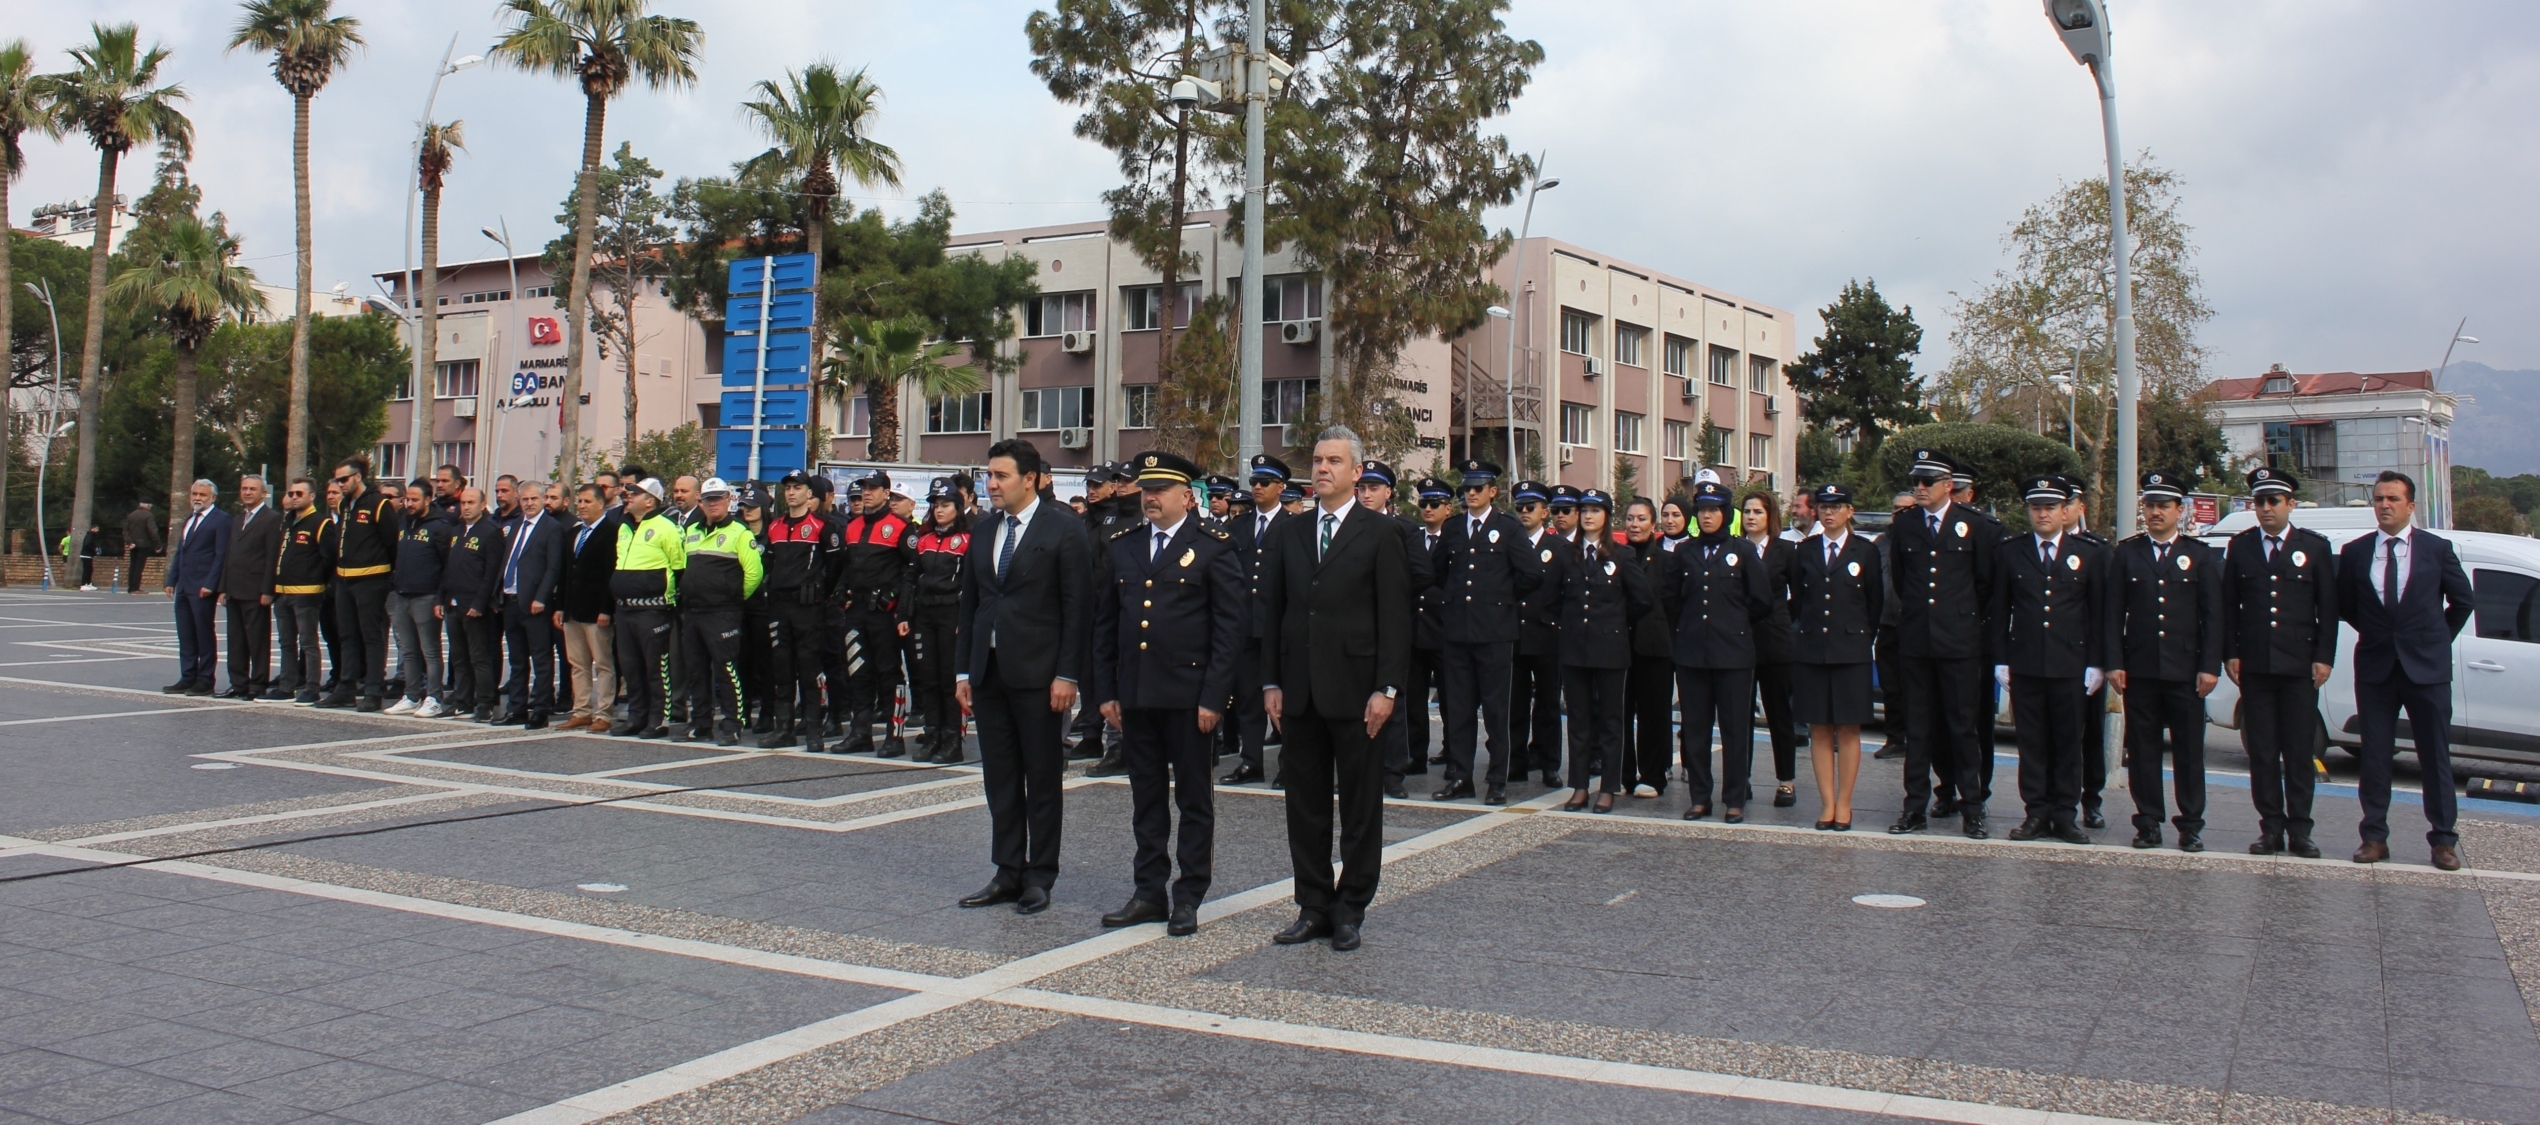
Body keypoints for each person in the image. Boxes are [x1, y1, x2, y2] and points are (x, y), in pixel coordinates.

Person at [1260, 426, 1410, 951]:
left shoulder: (1380, 532)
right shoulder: (1291, 532)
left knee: (1361, 807)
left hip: (1357, 689)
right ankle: (1313, 904)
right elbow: (1273, 611)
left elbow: (1395, 617)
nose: (1322, 468)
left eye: (1333, 461)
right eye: (1318, 460)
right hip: (1299, 691)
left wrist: (1387, 688)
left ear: (1356, 472)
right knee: (1305, 804)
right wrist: (1271, 681)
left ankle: (1351, 908)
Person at [1091, 451, 1246, 936]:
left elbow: (1229, 630)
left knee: (1194, 799)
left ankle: (1189, 893)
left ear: (1187, 496)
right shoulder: (1123, 544)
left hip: (1188, 694)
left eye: (1160, 490)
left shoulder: (1214, 545)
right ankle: (1148, 891)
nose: (1150, 497)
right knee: (1147, 797)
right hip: (1136, 694)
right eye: (1145, 488)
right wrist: (1107, 691)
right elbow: (1106, 624)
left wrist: (1213, 698)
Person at [956, 439, 1092, 915]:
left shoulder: (1065, 529)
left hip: (1040, 675)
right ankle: (1007, 870)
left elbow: (1078, 608)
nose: (991, 484)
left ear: (1029, 478)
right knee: (1001, 777)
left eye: (1001, 476)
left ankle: (1040, 875)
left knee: (1042, 775)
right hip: (990, 673)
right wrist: (964, 670)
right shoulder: (985, 526)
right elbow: (972, 603)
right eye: (988, 475)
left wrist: (1068, 674)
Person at [2341, 470, 2475, 870]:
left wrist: (2434, 640)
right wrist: (2381, 634)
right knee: (2376, 756)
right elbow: (2346, 604)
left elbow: (2463, 601)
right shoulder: (2357, 552)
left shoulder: (2436, 549)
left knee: (2434, 756)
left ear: (2410, 506)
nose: (2384, 505)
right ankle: (2374, 837)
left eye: (2393, 499)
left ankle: (2444, 841)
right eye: (2379, 499)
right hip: (2377, 666)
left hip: (2427, 669)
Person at [2222, 466, 2338, 859]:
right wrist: (2231, 652)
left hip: (2298, 666)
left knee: (2299, 751)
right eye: (2260, 501)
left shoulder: (2315, 547)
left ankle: (2300, 829)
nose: (2266, 508)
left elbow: (2328, 608)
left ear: (2291, 504)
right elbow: (2228, 606)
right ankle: (2270, 827)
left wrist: (2324, 657)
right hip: (2256, 665)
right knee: (2264, 751)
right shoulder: (2241, 547)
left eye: (2274, 501)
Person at [1886, 450, 2002, 838]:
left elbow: (1984, 585)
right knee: (1918, 729)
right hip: (1917, 641)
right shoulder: (1905, 526)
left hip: (1959, 642)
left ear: (1948, 486)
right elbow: (1903, 582)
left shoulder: (1976, 526)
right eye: (1916, 482)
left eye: (1927, 482)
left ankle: (1972, 807)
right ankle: (1914, 806)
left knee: (1962, 728)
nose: (1919, 488)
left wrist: (1959, 621)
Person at [1991, 475, 2109, 845]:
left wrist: (2097, 662)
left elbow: (2099, 613)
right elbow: (1998, 610)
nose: (2042, 514)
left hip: (2070, 663)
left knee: (2068, 743)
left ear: (2064, 511)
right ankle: (2036, 812)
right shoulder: (2011, 552)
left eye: (2050, 507)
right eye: (2036, 507)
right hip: (2026, 663)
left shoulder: (2089, 552)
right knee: (2032, 743)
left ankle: (2065, 814)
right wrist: (2001, 658)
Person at [2110, 472, 2224, 852]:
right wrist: (2113, 661)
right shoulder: (2127, 553)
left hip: (2186, 670)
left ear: (2180, 510)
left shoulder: (2199, 555)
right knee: (2142, 750)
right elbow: (2113, 614)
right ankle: (2148, 821)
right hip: (2140, 668)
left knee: (2189, 752)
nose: (2155, 513)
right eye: (2150, 505)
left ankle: (2190, 823)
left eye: (2163, 506)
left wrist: (2211, 666)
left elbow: (2213, 616)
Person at [1430, 458, 1544, 805]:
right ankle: (1461, 776)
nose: (1471, 494)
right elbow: (1438, 573)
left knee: (1497, 711)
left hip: (1495, 632)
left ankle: (1497, 780)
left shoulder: (1507, 528)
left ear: (1493, 491)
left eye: (1477, 488)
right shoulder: (1452, 529)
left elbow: (1532, 573)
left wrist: (1502, 601)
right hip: (1459, 632)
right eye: (1466, 488)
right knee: (1460, 708)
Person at [1662, 481, 1773, 822]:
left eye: (1714, 510)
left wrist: (1732, 625)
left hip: (1733, 653)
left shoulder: (1742, 550)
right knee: (1695, 728)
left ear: (1726, 514)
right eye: (1703, 510)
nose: (1707, 516)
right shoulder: (1686, 552)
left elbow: (1761, 601)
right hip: (1694, 652)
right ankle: (1700, 797)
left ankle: (1735, 798)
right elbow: (1671, 600)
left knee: (1735, 729)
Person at [1556, 489, 1653, 814]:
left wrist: (1617, 626)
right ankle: (1580, 786)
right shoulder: (1566, 554)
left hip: (1610, 648)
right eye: (1583, 510)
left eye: (1595, 510)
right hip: (1575, 648)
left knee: (1611, 720)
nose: (1587, 516)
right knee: (1579, 721)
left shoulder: (1622, 556)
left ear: (1607, 517)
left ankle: (1608, 787)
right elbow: (1553, 598)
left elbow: (1642, 600)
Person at [1791, 484, 1881, 831]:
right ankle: (1826, 803)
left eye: (1837, 506)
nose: (1829, 513)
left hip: (1851, 651)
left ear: (1850, 511)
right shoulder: (1806, 550)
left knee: (1848, 729)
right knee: (1819, 728)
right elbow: (1799, 601)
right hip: (1813, 649)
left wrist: (1857, 639)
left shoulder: (1865, 551)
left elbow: (1873, 603)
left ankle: (1844, 804)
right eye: (1823, 507)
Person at [1355, 461, 1433, 800]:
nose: (1367, 494)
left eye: (1374, 488)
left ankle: (1392, 772)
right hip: (1356, 624)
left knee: (1392, 699)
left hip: (1391, 623)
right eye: (1363, 488)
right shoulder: (1350, 526)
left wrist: (1395, 598)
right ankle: (1358, 769)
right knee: (1356, 699)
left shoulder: (1404, 528)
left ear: (1388, 493)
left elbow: (1422, 573)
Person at [1221, 455, 1294, 786]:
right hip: (1246, 624)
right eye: (1254, 482)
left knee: (1286, 699)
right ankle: (1250, 761)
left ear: (1281, 487)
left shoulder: (1293, 527)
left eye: (1264, 483)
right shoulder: (1237, 525)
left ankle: (1288, 764)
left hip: (1279, 626)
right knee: (1248, 698)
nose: (1258, 488)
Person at [675, 479, 763, 745]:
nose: (713, 504)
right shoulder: (691, 530)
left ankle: (732, 725)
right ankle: (700, 724)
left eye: (718, 498)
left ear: (728, 500)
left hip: (723, 613)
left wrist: (733, 598)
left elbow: (754, 573)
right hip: (693, 612)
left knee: (726, 670)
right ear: (700, 502)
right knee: (696, 670)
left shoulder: (740, 532)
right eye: (708, 499)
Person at [761, 472, 844, 751]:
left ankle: (812, 731)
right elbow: (769, 564)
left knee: (810, 669)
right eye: (788, 488)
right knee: (781, 668)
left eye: (798, 488)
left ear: (810, 494)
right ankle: (783, 729)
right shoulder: (774, 526)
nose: (792, 493)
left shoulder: (822, 526)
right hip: (779, 606)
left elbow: (835, 567)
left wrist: (821, 591)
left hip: (809, 607)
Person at [839, 472, 918, 757]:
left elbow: (913, 570)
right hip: (856, 612)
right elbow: (847, 566)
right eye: (864, 488)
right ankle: (860, 733)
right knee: (858, 672)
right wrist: (841, 591)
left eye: (873, 488)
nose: (867, 493)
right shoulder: (853, 526)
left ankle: (893, 736)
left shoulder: (900, 527)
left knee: (889, 674)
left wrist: (897, 601)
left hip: (884, 613)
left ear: (887, 493)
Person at [318, 458, 403, 711]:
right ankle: (346, 687)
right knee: (347, 635)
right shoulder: (346, 505)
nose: (340, 484)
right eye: (337, 480)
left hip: (371, 578)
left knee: (371, 636)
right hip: (345, 578)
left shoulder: (378, 504)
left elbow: (391, 542)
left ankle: (374, 690)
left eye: (343, 479)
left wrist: (385, 575)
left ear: (358, 477)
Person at [1509, 481, 1572, 789]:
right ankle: (1516, 762)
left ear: (1545, 512)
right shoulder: (1509, 542)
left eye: (1530, 507)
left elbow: (1566, 592)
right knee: (1514, 704)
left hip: (1547, 636)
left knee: (1548, 705)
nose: (1523, 512)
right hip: (1515, 635)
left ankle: (1550, 764)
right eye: (1519, 506)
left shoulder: (1558, 548)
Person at [612, 479, 685, 739]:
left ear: (650, 500)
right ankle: (637, 716)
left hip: (653, 609)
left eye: (634, 493)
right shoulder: (624, 526)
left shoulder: (667, 527)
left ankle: (659, 718)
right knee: (630, 667)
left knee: (656, 667)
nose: (627, 496)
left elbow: (679, 565)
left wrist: (667, 596)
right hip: (624, 608)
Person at [1743, 490, 1800, 809]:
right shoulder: (1736, 549)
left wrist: (1784, 617)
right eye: (1747, 511)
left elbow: (1799, 593)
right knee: (1740, 715)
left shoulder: (1786, 550)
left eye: (1758, 512)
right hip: (1742, 639)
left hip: (1777, 640)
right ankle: (1742, 778)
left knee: (1780, 713)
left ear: (1770, 516)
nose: (1751, 517)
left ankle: (1786, 781)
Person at [493, 479, 565, 727]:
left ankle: (540, 710)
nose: (530, 503)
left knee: (541, 659)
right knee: (516, 659)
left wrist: (541, 598)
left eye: (534, 498)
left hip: (535, 604)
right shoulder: (515, 526)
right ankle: (517, 709)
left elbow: (553, 567)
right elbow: (507, 560)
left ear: (543, 499)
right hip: (512, 600)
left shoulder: (551, 528)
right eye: (525, 499)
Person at [909, 482, 972, 764]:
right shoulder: (924, 539)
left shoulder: (968, 539)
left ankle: (952, 739)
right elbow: (911, 578)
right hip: (926, 614)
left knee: (949, 679)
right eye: (935, 505)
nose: (939, 510)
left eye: (945, 505)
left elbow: (972, 584)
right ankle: (931, 734)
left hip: (951, 614)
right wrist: (904, 615)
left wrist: (965, 620)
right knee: (928, 678)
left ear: (957, 508)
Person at [1620, 497, 1676, 799]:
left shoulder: (1666, 561)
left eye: (1641, 519)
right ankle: (1622, 773)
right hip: (1620, 645)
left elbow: (1673, 605)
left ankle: (1653, 776)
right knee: (1619, 712)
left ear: (1653, 525)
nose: (1635, 524)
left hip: (1655, 647)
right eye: (1630, 519)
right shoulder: (1615, 556)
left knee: (1654, 715)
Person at [383, 480, 454, 716]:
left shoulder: (440, 526)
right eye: (406, 499)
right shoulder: (404, 522)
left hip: (427, 595)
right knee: (408, 650)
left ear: (427, 500)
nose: (409, 504)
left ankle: (434, 696)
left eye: (414, 500)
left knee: (430, 650)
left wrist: (440, 598)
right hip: (402, 594)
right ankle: (411, 695)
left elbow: (447, 564)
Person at [555, 483, 622, 733]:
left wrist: (607, 609)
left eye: (587, 502)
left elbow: (610, 574)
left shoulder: (611, 532)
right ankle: (581, 710)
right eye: (579, 502)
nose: (581, 506)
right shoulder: (573, 534)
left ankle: (603, 713)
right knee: (578, 663)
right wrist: (560, 606)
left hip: (597, 612)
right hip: (573, 610)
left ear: (601, 503)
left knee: (603, 664)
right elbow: (565, 573)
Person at [1403, 477, 1454, 787]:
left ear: (1448, 508)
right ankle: (1416, 754)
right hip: (1415, 628)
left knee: (1451, 698)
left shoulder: (1455, 538)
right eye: (1423, 503)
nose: (1428, 509)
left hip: (1444, 629)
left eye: (1434, 504)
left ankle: (1452, 751)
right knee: (1414, 698)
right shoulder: (1412, 537)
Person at [163, 481, 232, 696]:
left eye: (203, 494)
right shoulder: (189, 519)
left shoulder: (221, 520)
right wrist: (171, 580)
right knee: (186, 634)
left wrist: (211, 584)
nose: (197, 497)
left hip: (202, 586)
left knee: (203, 633)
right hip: (184, 585)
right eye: (194, 493)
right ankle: (188, 676)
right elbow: (180, 552)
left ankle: (205, 678)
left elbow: (221, 555)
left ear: (213, 497)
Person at [269, 479, 335, 704]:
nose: (294, 497)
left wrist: (318, 582)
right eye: (291, 493)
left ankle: (312, 687)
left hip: (307, 592)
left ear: (312, 496)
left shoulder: (320, 523)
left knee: (308, 642)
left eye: (299, 493)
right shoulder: (288, 522)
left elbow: (329, 558)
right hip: (282, 591)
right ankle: (286, 685)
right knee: (286, 642)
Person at [440, 487, 503, 721]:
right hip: (453, 602)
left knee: (479, 656)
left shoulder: (491, 532)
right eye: (463, 503)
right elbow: (447, 568)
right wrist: (441, 598)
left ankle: (484, 703)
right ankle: (462, 701)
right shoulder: (456, 531)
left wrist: (480, 603)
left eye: (470, 502)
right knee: (459, 656)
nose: (465, 507)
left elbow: (491, 573)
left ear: (482, 504)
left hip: (475, 605)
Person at [219, 475, 284, 700]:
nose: (247, 492)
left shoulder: (271, 518)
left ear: (263, 493)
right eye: (244, 489)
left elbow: (271, 556)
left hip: (256, 589)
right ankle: (238, 684)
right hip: (235, 588)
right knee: (235, 640)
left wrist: (268, 590)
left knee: (256, 640)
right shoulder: (237, 520)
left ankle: (258, 684)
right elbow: (229, 555)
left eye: (252, 489)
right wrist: (224, 587)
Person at [1871, 490, 1917, 763]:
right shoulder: (1880, 543)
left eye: (1907, 510)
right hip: (1886, 624)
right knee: (1890, 685)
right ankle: (1895, 737)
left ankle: (1916, 738)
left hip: (1912, 625)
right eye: (1896, 509)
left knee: (1913, 686)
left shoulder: (1917, 540)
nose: (1900, 514)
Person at [124, 500, 162, 594]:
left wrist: (129, 542)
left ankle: (131, 587)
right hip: (144, 544)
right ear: (148, 505)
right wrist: (157, 544)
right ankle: (136, 588)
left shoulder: (131, 515)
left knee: (133, 565)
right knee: (139, 566)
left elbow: (125, 530)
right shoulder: (148, 515)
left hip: (133, 544)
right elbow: (152, 530)